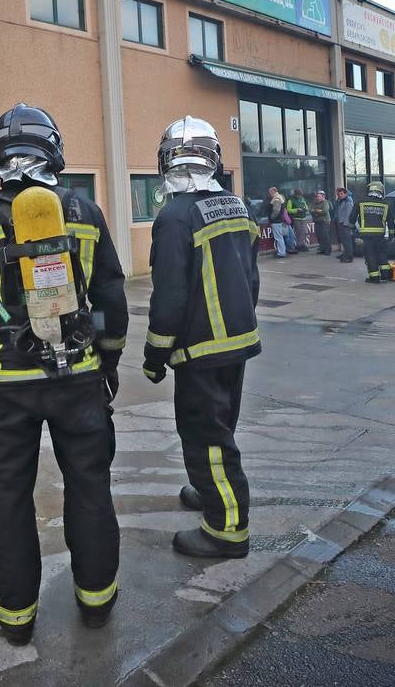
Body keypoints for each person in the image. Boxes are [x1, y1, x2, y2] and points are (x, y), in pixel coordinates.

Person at [0, 103, 128, 645]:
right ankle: (96, 601)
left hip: (5, 384)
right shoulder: (85, 213)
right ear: (56, 148)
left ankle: (16, 617)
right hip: (79, 378)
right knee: (90, 486)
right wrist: (108, 361)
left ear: (0, 152)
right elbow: (111, 298)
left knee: (9, 497)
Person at [142, 116, 260, 560]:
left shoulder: (174, 217)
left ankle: (227, 528)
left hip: (199, 351)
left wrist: (155, 355)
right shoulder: (236, 205)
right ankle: (207, 489)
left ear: (166, 162)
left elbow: (169, 296)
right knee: (222, 426)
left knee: (206, 437)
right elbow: (251, 277)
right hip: (237, 342)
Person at [353, 182, 395, 283]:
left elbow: (352, 217)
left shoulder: (361, 202)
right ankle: (386, 276)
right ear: (380, 190)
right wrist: (391, 235)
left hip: (366, 235)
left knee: (370, 256)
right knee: (382, 255)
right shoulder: (385, 204)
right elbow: (390, 221)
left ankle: (374, 278)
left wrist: (352, 230)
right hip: (380, 235)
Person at [333, 186, 355, 263]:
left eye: (341, 194)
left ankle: (349, 256)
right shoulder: (340, 201)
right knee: (344, 241)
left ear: (345, 194)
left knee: (347, 241)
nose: (340, 195)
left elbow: (348, 214)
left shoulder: (348, 201)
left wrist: (346, 224)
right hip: (340, 222)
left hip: (345, 224)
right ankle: (345, 254)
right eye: (339, 194)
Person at [310, 190, 332, 255]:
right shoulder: (314, 203)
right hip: (317, 222)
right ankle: (322, 249)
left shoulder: (325, 202)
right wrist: (317, 211)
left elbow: (324, 211)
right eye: (317, 196)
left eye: (319, 196)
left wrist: (316, 211)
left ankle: (328, 250)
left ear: (323, 197)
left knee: (325, 236)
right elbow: (311, 210)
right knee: (319, 236)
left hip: (324, 221)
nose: (318, 198)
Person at [267, 187, 287, 258]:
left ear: (273, 191)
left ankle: (281, 253)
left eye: (270, 192)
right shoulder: (279, 197)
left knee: (278, 237)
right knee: (279, 237)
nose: (269, 194)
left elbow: (276, 211)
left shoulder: (276, 199)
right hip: (279, 220)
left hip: (276, 221)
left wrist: (271, 218)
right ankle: (281, 251)